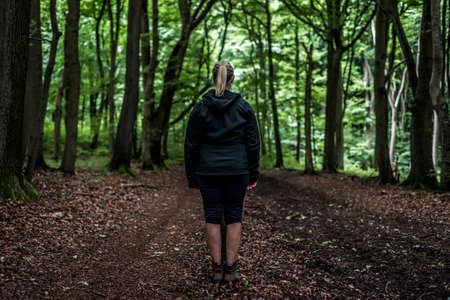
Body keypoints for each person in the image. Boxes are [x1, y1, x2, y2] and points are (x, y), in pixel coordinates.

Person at [184, 61, 260, 283]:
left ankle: (217, 268)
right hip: (237, 170)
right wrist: (253, 173)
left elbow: (191, 145)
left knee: (212, 216)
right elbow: (253, 144)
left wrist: (192, 176)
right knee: (234, 216)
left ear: (212, 78)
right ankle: (231, 269)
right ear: (232, 79)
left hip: (208, 170)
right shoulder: (243, 107)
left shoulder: (200, 108)